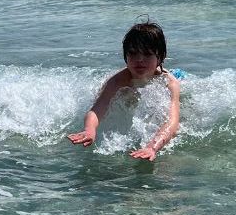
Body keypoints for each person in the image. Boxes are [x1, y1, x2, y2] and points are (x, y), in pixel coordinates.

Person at [67, 21, 181, 160]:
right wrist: (90, 130)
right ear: (125, 56)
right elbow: (97, 109)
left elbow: (172, 123)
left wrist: (152, 147)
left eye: (147, 54)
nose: (139, 59)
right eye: (133, 53)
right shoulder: (117, 81)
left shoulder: (169, 83)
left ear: (160, 57)